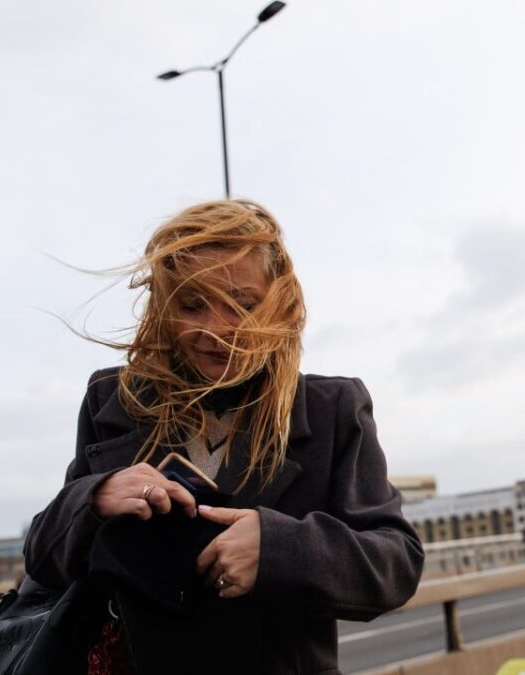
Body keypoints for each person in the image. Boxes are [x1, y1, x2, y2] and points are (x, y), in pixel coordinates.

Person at [23, 199, 424, 675]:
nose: (218, 330)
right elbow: (41, 559)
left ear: (280, 302)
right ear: (165, 309)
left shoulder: (331, 408)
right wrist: (96, 497)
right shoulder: (112, 399)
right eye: (192, 305)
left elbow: (396, 564)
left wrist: (278, 550)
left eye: (242, 304)